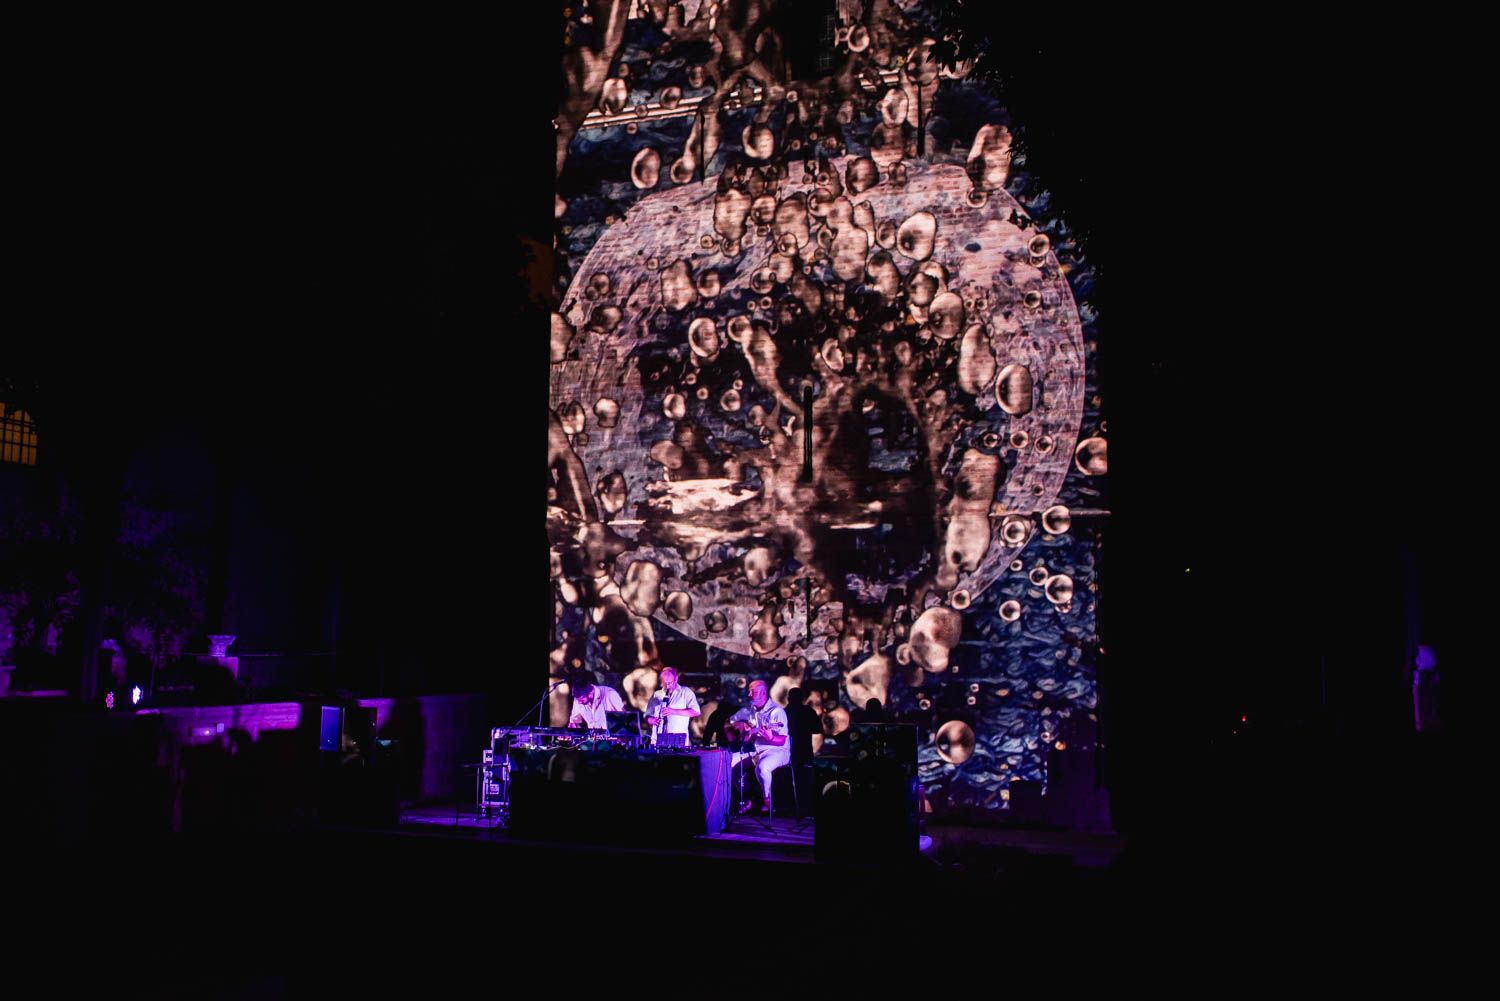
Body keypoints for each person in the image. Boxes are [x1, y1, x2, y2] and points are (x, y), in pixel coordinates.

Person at [728, 679, 789, 813]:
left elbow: (782, 741)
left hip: (777, 752)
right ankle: (746, 797)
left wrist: (771, 736)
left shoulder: (777, 712)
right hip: (757, 752)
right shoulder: (750, 710)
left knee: (762, 768)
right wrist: (742, 728)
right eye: (749, 691)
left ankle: (767, 800)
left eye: (752, 692)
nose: (749, 694)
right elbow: (730, 723)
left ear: (763, 693)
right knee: (728, 762)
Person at [644, 666, 700, 746]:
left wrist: (673, 711)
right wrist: (650, 720)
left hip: (677, 740)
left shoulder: (685, 692)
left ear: (676, 679)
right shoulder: (657, 694)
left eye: (670, 683)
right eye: (664, 683)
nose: (667, 686)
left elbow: (696, 711)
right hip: (657, 741)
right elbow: (647, 715)